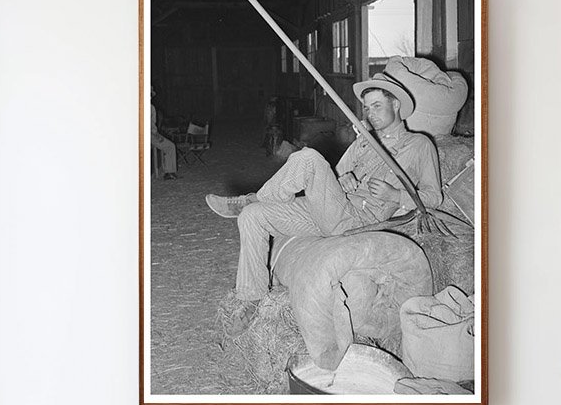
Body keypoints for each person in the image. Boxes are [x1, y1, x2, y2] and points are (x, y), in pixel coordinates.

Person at [206, 73, 441, 302]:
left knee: (308, 157)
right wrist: (343, 179)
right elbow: (335, 176)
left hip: (359, 220)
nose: (371, 114)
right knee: (251, 216)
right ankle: (251, 297)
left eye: (377, 106)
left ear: (396, 104)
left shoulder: (419, 145)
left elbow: (434, 197)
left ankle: (254, 197)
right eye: (367, 108)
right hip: (331, 210)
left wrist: (396, 195)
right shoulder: (364, 142)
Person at [150, 88, 178, 180]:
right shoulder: (150, 107)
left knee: (169, 145)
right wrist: (156, 136)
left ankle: (169, 171)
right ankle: (169, 172)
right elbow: (149, 125)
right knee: (170, 146)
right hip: (150, 135)